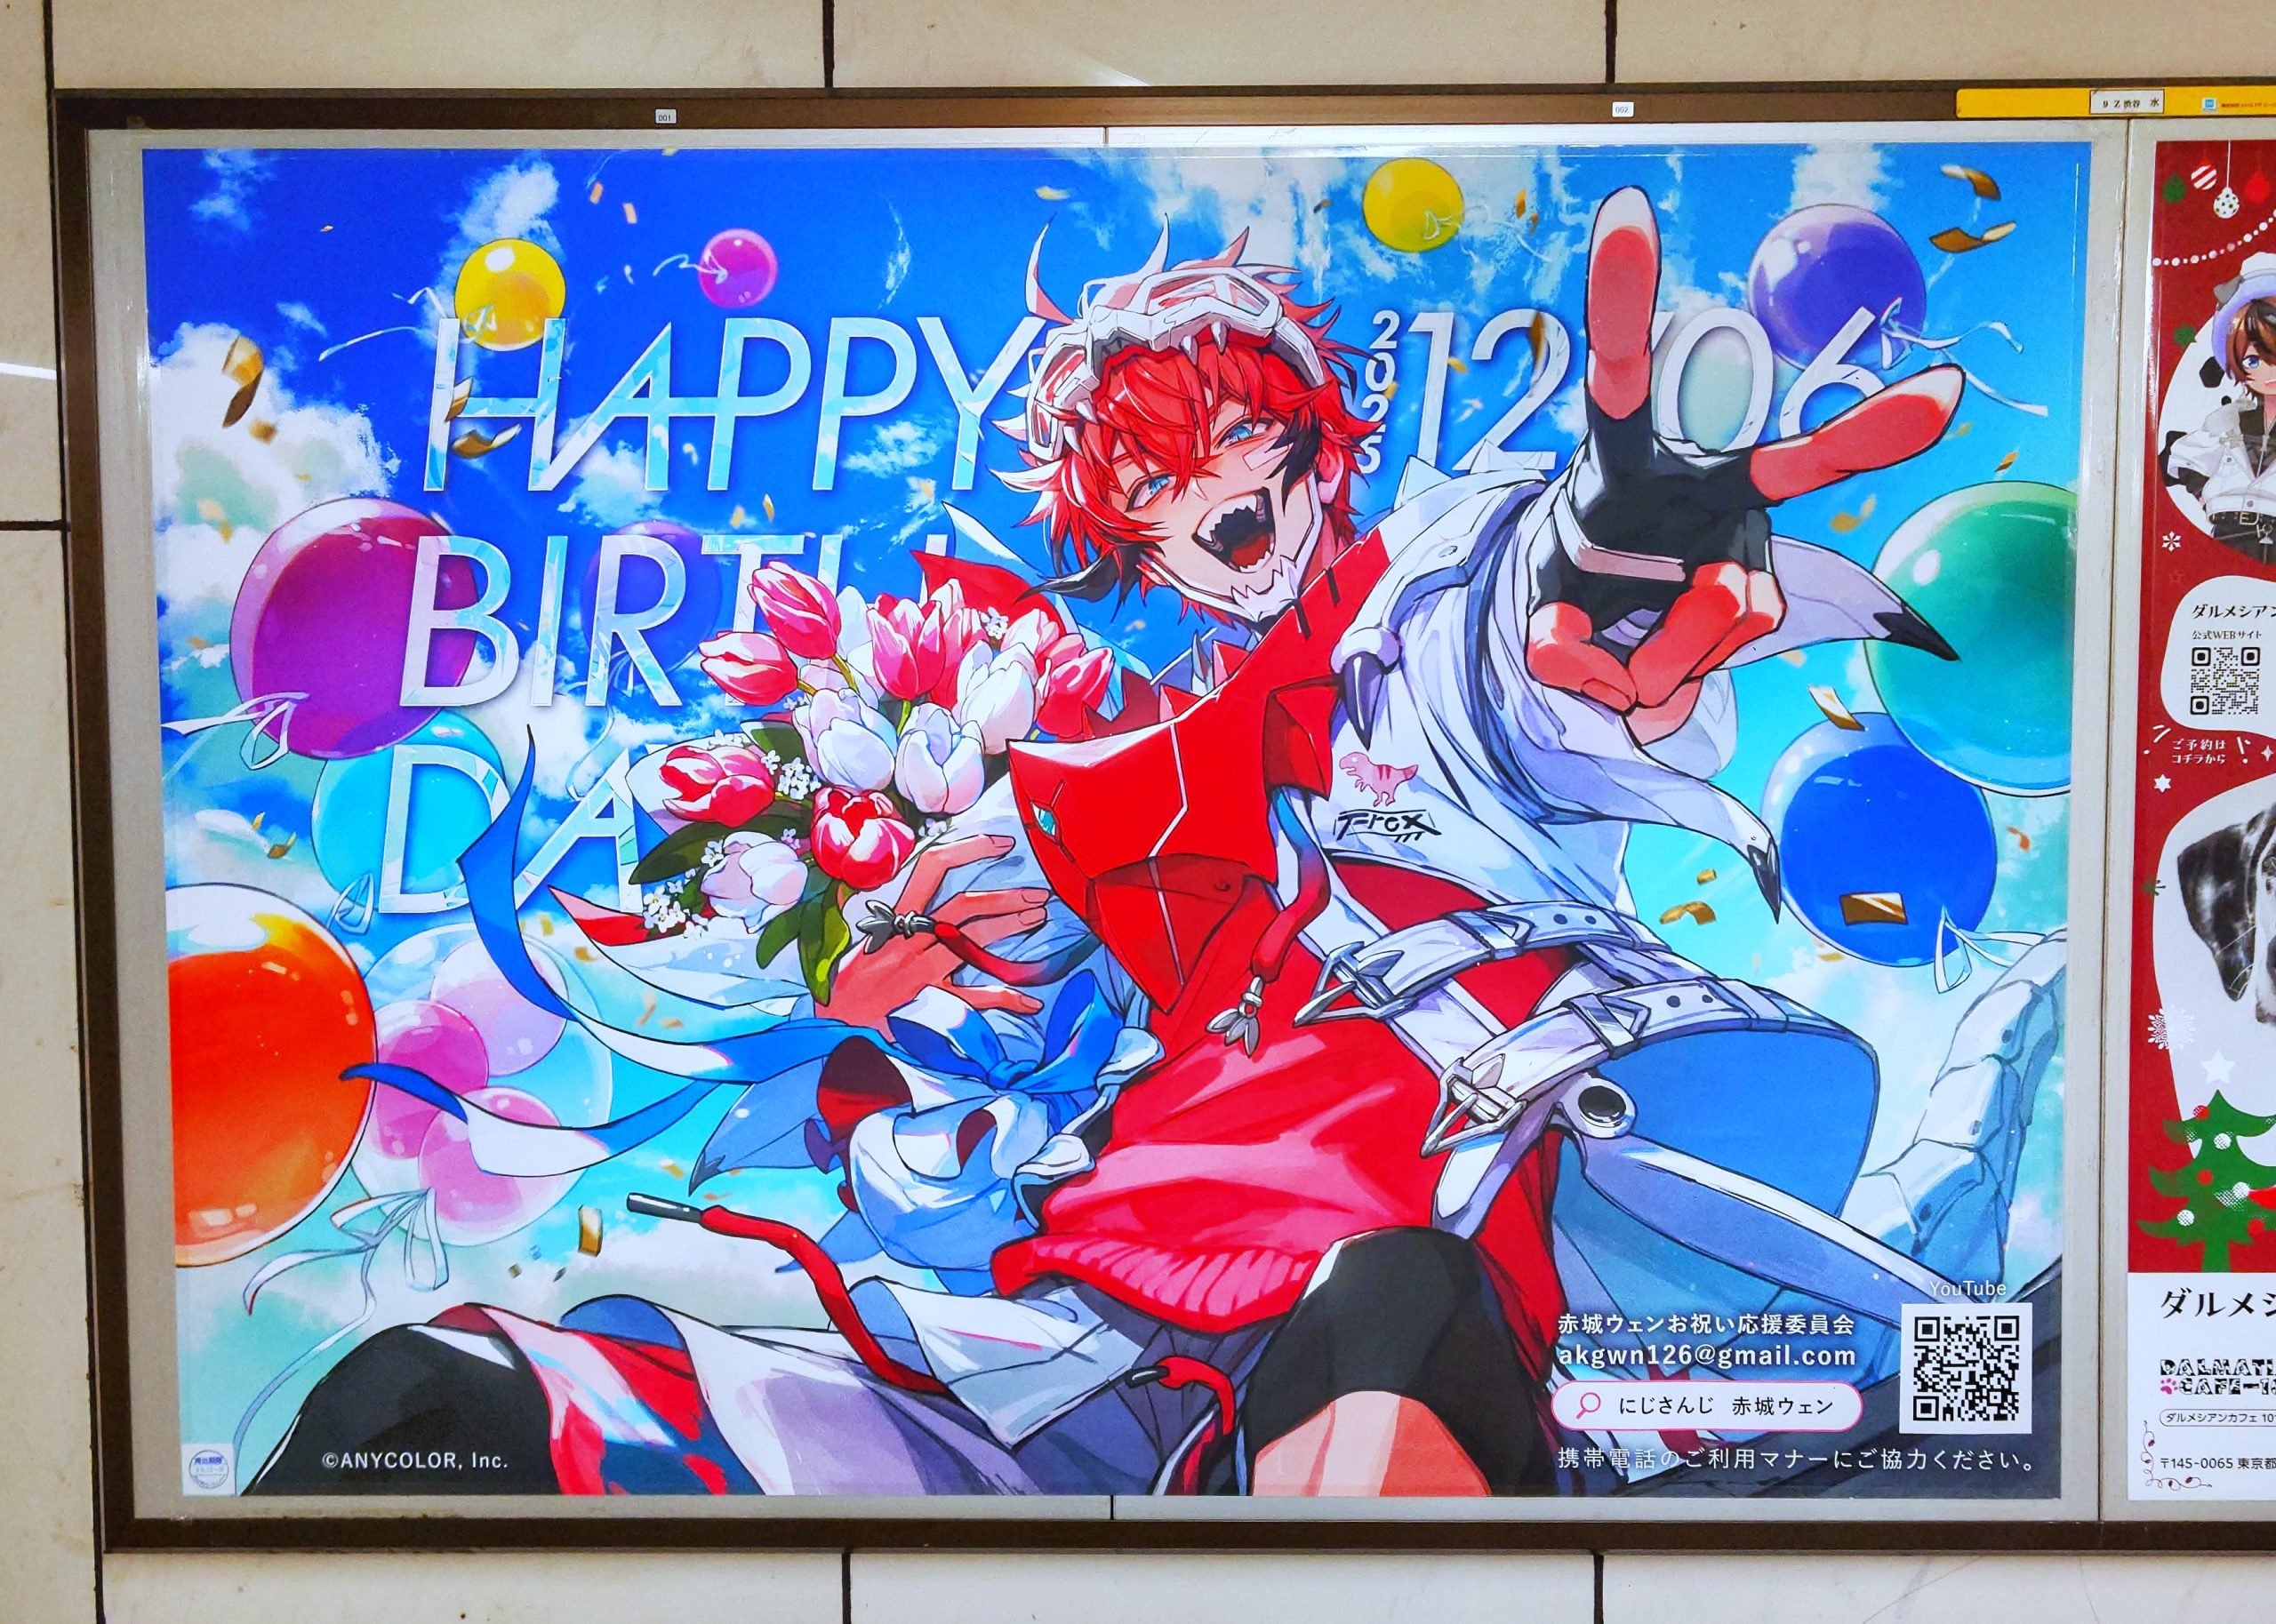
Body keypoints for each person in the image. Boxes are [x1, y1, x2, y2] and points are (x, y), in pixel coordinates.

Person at [251, 188, 1966, 1500]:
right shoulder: (1118, 782)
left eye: (1243, 466)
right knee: (447, 1396)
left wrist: (1606, 550)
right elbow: (970, 950)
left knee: (1391, 1323)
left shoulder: (1417, 620)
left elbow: (1524, 639)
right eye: (1166, 512)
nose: (1224, 523)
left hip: (1431, 1211)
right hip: (1106, 1301)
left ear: (1319, 449)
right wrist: (873, 976)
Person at [2168, 252, 2276, 564]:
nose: (2268, 371)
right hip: (2227, 533)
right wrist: (2209, 496)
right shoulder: (2229, 421)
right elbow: (2185, 460)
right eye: (2253, 361)